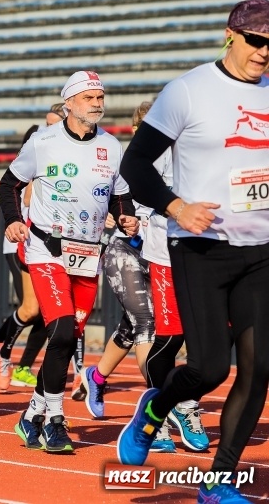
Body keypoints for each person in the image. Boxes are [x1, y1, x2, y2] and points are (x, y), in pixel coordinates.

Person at [117, 0, 269, 502]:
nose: (265, 52)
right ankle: (156, 410)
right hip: (199, 247)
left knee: (260, 365)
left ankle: (218, 481)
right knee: (209, 368)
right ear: (231, 35)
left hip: (261, 250)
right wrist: (176, 207)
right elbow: (135, 166)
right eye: (257, 40)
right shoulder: (188, 90)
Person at [1, 71, 138, 452]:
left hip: (88, 255)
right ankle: (56, 422)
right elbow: (8, 184)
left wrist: (125, 215)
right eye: (89, 97)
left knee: (66, 338)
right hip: (47, 250)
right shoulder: (42, 142)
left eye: (101, 96)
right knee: (60, 331)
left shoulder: (111, 146)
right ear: (70, 103)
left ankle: (32, 415)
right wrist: (13, 220)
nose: (98, 102)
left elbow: (119, 195)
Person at [133, 101, 210, 454]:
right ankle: (159, 415)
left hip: (206, 256)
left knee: (208, 341)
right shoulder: (153, 152)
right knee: (171, 336)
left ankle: (185, 404)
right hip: (165, 255)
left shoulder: (212, 148)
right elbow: (131, 186)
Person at [0, 105, 65, 390]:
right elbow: (16, 189)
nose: (51, 127)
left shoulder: (78, 150)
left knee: (54, 312)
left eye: (57, 122)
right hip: (27, 242)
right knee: (32, 309)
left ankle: (28, 366)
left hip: (64, 244)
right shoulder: (39, 145)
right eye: (49, 122)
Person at [80, 102, 156, 418]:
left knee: (131, 326)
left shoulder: (182, 162)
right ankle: (158, 408)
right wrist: (110, 214)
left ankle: (96, 377)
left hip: (161, 255)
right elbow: (94, 193)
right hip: (126, 252)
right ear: (137, 131)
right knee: (145, 322)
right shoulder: (124, 162)